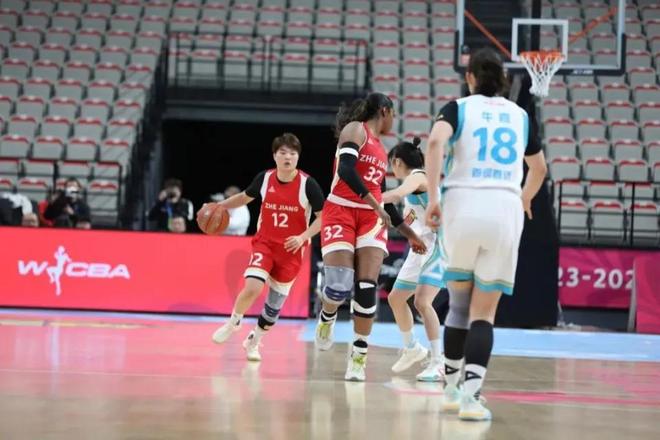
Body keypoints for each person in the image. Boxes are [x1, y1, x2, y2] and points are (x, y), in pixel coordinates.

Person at [424, 47, 547, 421]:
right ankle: (471, 398)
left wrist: (433, 198)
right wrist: (524, 199)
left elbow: (435, 142)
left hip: (461, 205)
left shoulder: (458, 108)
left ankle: (449, 390)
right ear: (505, 81)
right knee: (484, 312)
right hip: (504, 208)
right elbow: (539, 169)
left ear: (470, 78)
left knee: (458, 306)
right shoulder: (520, 115)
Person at [314, 92, 427, 382]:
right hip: (340, 209)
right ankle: (327, 315)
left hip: (369, 218)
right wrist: (375, 205)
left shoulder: (381, 148)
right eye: (394, 114)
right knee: (338, 286)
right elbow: (346, 170)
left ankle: (358, 358)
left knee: (366, 286)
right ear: (385, 111)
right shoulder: (356, 130)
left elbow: (385, 201)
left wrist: (411, 235)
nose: (394, 121)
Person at [210, 133, 325, 361]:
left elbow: (323, 218)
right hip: (265, 244)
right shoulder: (265, 178)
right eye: (283, 153)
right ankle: (234, 322)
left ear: (298, 157)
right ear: (274, 156)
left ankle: (254, 341)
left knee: (272, 309)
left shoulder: (308, 184)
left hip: (291, 251)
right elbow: (244, 197)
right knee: (252, 287)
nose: (288, 157)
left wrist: (303, 237)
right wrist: (220, 205)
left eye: (292, 153)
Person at [382, 137, 446, 382]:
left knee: (422, 302)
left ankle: (438, 363)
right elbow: (410, 219)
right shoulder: (415, 187)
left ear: (397, 161)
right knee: (396, 298)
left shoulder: (418, 176)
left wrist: (367, 198)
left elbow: (397, 194)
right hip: (420, 247)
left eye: (391, 164)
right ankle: (412, 348)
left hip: (437, 246)